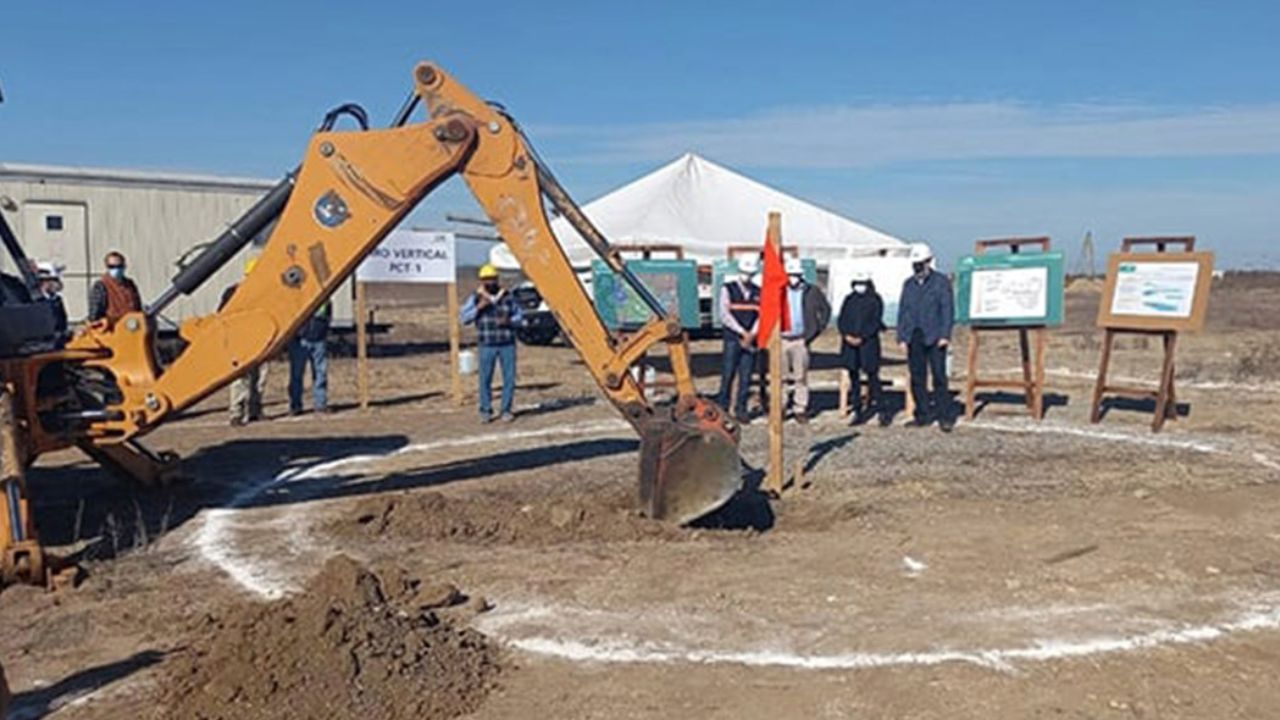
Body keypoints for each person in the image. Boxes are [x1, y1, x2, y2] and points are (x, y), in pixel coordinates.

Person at [896, 243, 955, 431]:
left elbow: (947, 310)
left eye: (920, 264)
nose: (917, 268)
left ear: (929, 262)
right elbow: (903, 311)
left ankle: (945, 416)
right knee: (917, 378)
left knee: (939, 377)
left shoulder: (941, 282)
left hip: (935, 336)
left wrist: (945, 335)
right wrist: (902, 337)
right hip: (915, 336)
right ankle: (922, 415)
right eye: (915, 264)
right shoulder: (908, 284)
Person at [460, 264, 523, 422]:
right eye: (486, 279)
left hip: (507, 343)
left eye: (492, 279)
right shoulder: (476, 297)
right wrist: (479, 308)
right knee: (485, 379)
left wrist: (510, 321)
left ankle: (506, 410)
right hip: (486, 344)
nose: (489, 282)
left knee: (509, 378)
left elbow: (520, 316)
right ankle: (485, 410)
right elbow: (464, 318)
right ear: (481, 281)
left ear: (497, 279)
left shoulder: (507, 296)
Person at [779, 257, 831, 423]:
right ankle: (781, 406)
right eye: (790, 275)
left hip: (801, 339)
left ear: (801, 275)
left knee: (800, 376)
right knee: (780, 376)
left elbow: (825, 309)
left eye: (795, 275)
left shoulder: (812, 291)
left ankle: (800, 408)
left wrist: (815, 330)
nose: (792, 278)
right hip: (781, 339)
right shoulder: (779, 291)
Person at [221, 256, 269, 426]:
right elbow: (223, 316)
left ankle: (255, 409)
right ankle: (236, 412)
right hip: (240, 340)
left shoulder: (265, 293)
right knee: (239, 378)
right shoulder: (233, 292)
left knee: (260, 376)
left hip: (260, 339)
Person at [838, 269, 888, 426]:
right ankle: (857, 410)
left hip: (868, 344)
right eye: (857, 283)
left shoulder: (875, 299)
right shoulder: (849, 299)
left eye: (863, 283)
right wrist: (847, 335)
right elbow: (842, 319)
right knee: (854, 378)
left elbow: (876, 321)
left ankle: (881, 410)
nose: (860, 286)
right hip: (850, 345)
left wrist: (862, 337)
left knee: (873, 377)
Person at [716, 255, 760, 424]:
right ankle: (723, 408)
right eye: (745, 272)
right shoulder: (728, 289)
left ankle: (741, 409)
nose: (747, 276)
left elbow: (761, 316)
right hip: (733, 338)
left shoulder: (758, 292)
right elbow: (724, 315)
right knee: (728, 374)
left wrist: (752, 334)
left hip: (751, 339)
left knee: (746, 376)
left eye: (750, 273)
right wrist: (742, 332)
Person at [288, 298, 332, 416]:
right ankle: (295, 405)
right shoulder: (297, 296)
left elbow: (328, 315)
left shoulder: (324, 298)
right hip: (300, 340)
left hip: (319, 339)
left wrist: (325, 330)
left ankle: (320, 404)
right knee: (297, 374)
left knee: (320, 373)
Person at [87, 251, 141, 324]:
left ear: (124, 266)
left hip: (132, 326)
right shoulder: (100, 286)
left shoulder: (130, 284)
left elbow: (138, 307)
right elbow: (94, 315)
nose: (116, 269)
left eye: (119, 266)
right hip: (112, 327)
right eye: (112, 266)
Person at [33, 261, 68, 339]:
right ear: (44, 281)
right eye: (54, 280)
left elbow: (63, 323)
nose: (57, 284)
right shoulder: (36, 302)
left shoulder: (57, 300)